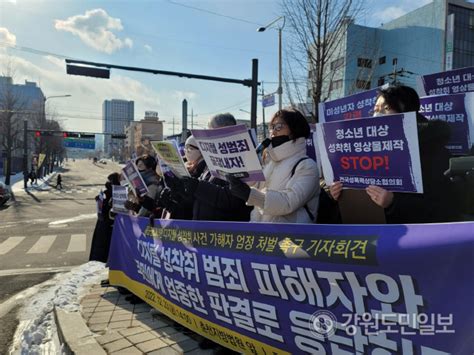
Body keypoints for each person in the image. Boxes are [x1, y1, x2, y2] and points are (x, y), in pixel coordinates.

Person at [329, 85, 455, 224]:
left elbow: (443, 208)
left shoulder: (433, 150)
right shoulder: (365, 152)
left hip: (408, 238)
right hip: (368, 234)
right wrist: (341, 194)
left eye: (387, 108)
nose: (378, 115)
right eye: (376, 110)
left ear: (407, 111)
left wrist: (393, 203)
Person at [227, 109, 320, 223]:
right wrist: (241, 175)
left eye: (279, 127)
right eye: (271, 127)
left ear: (295, 129)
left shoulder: (307, 166)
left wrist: (250, 195)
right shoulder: (270, 163)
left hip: (291, 238)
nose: (273, 133)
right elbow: (255, 186)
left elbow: (289, 202)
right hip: (262, 235)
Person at [164, 113, 253, 222]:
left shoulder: (242, 158)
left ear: (226, 130)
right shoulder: (211, 161)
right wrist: (179, 190)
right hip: (203, 230)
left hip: (225, 232)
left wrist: (197, 186)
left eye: (210, 132)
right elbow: (199, 200)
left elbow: (234, 200)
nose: (207, 137)